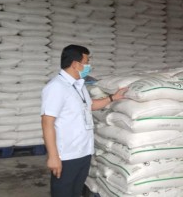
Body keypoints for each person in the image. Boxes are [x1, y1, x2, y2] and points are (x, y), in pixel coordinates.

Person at [41, 44, 127, 197]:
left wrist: (113, 97)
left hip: (83, 151)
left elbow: (90, 105)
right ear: (75, 64)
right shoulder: (56, 87)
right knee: (63, 193)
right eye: (87, 61)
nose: (89, 66)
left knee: (76, 192)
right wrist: (53, 157)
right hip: (66, 155)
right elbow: (47, 122)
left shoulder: (78, 86)